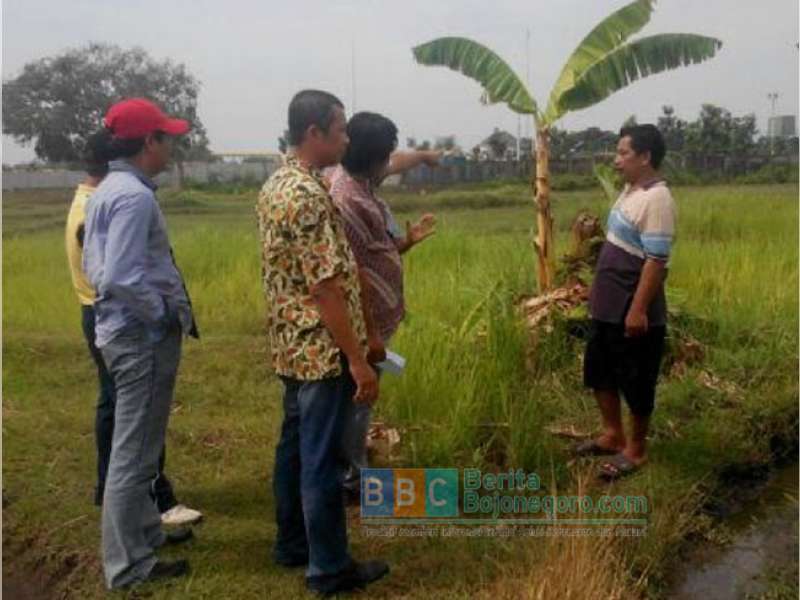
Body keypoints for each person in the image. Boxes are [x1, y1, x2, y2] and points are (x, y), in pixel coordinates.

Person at [257, 89, 389, 596]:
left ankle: (292, 543)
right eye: (340, 129)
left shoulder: (278, 184)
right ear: (314, 133)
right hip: (319, 348)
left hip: (292, 344)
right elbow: (325, 286)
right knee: (321, 458)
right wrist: (357, 359)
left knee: (293, 447)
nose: (347, 138)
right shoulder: (309, 196)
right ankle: (329, 567)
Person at [82, 98, 200, 588]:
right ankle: (128, 566)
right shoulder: (134, 197)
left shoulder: (109, 189)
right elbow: (121, 276)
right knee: (132, 455)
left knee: (143, 449)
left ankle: (145, 536)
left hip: (121, 334)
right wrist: (161, 317)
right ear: (147, 142)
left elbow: (96, 269)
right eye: (166, 137)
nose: (171, 144)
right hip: (139, 339)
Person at [326, 112, 439, 500]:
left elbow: (377, 252)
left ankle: (350, 466)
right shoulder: (345, 199)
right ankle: (351, 477)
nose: (390, 162)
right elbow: (352, 275)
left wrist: (424, 156)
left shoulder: (362, 179)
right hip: (364, 323)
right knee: (358, 396)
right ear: (372, 157)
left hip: (378, 317)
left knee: (358, 397)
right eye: (386, 156)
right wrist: (371, 336)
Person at [578, 124, 676, 481]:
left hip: (632, 310)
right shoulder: (631, 192)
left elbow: (656, 260)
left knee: (636, 380)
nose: (616, 161)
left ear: (645, 157)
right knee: (600, 372)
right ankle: (611, 434)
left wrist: (636, 309)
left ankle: (635, 450)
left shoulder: (658, 198)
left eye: (623, 153)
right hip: (606, 305)